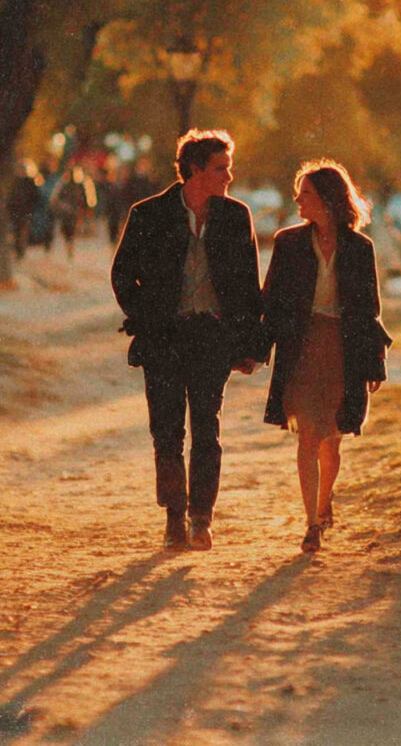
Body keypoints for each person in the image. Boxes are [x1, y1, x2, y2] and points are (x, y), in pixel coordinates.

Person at [111, 129, 264, 551]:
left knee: (207, 430)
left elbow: (249, 287)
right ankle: (174, 516)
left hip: (211, 337)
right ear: (195, 170)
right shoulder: (149, 214)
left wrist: (250, 346)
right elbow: (122, 275)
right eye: (221, 168)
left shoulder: (236, 217)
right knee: (166, 431)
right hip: (164, 338)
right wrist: (148, 318)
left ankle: (202, 517)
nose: (228, 176)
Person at [261, 160, 392, 554]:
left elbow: (369, 310)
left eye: (306, 195)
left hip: (343, 349)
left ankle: (323, 502)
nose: (298, 201)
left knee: (331, 440)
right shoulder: (288, 243)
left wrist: (374, 362)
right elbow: (270, 301)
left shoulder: (360, 248)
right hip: (301, 347)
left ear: (328, 200)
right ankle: (312, 524)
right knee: (308, 434)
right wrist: (254, 351)